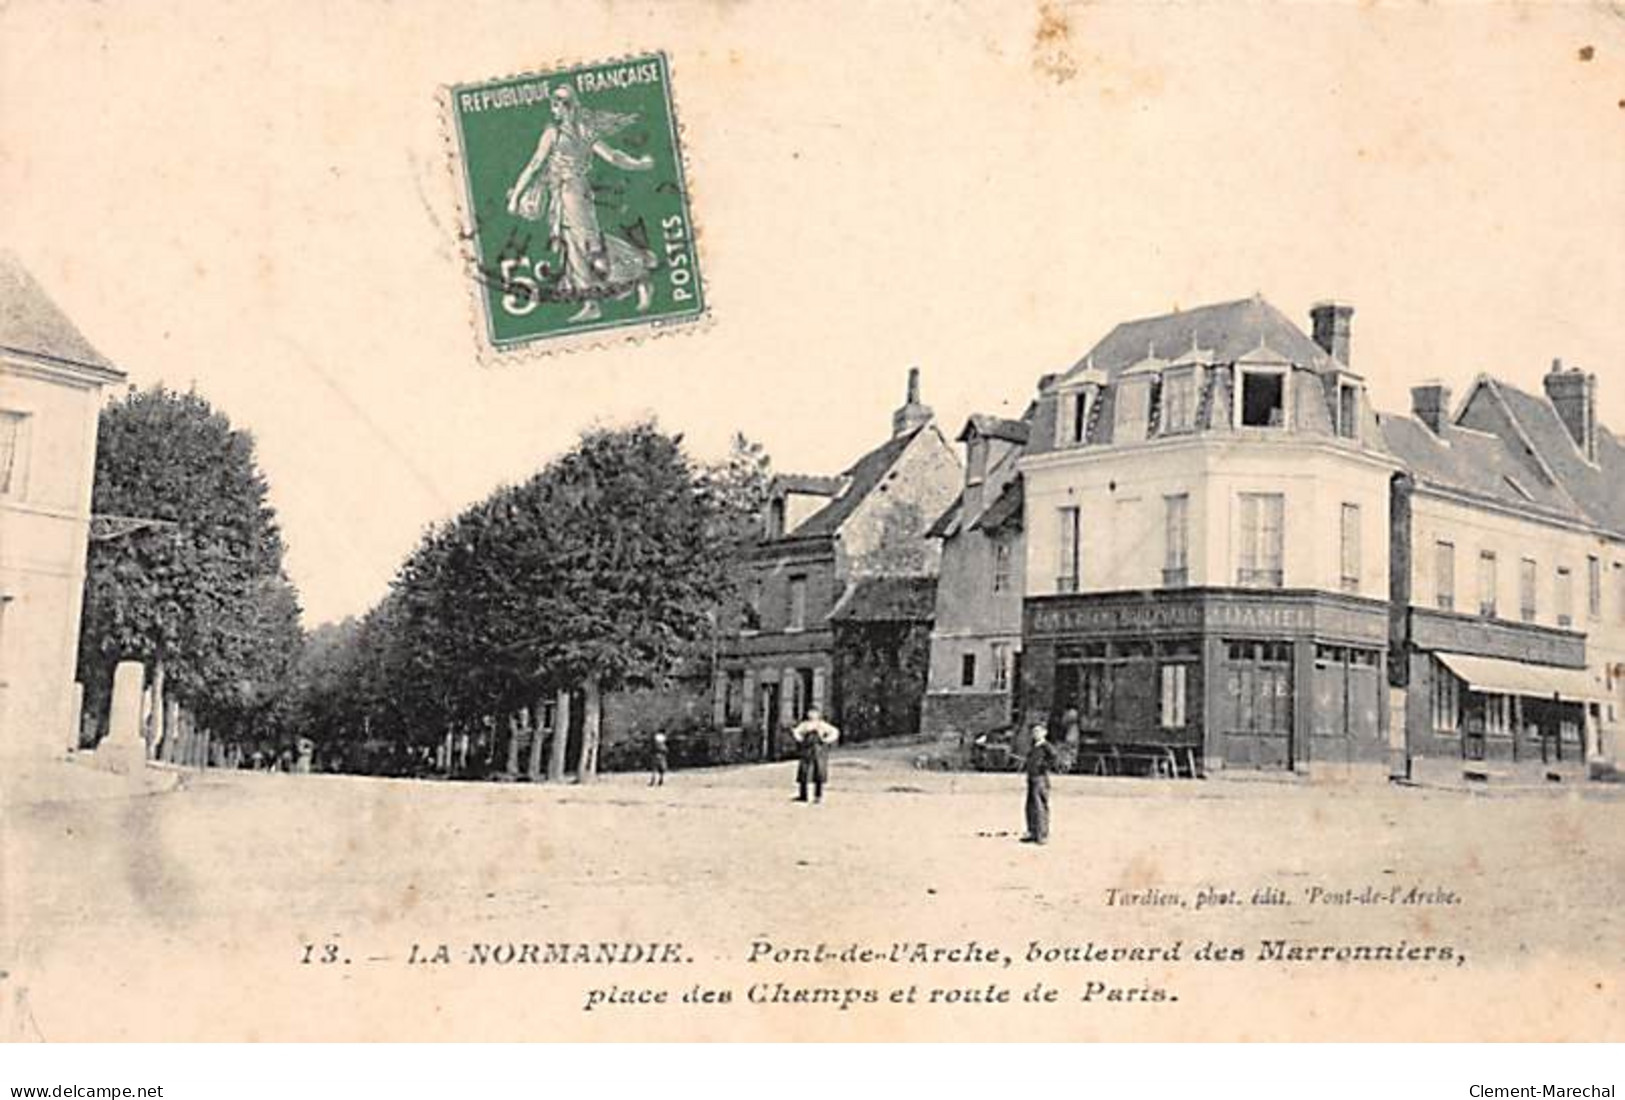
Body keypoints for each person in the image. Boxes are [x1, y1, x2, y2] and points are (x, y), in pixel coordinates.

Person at [505, 85, 659, 323]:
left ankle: (637, 271)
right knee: (577, 245)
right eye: (554, 105)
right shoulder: (580, 130)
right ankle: (594, 300)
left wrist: (516, 196)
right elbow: (614, 157)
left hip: (571, 194)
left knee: (585, 244)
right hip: (570, 193)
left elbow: (535, 164)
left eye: (558, 105)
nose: (555, 109)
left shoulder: (558, 133)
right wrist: (638, 164)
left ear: (568, 107)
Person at [790, 707, 840, 803]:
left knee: (819, 772)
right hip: (807, 750)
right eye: (810, 713)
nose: (812, 715)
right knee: (804, 772)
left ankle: (818, 796)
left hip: (819, 750)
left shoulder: (822, 725)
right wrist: (800, 739)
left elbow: (835, 732)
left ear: (818, 715)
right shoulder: (805, 725)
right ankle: (803, 795)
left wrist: (826, 740)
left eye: (814, 713)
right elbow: (796, 732)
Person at [1023, 723, 1059, 845]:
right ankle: (1032, 832)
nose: (1035, 734)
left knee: (1040, 807)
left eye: (1038, 731)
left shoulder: (1046, 746)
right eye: (1034, 732)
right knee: (1030, 806)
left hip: (1040, 779)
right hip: (1031, 778)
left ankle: (1042, 834)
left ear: (1044, 733)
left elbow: (1054, 758)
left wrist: (1043, 766)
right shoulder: (1034, 747)